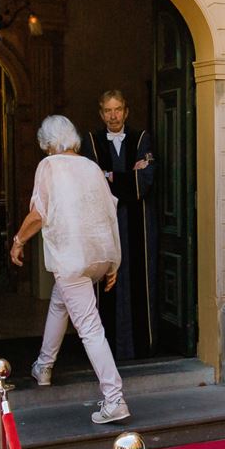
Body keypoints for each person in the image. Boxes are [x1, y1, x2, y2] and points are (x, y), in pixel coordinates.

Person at [8, 115, 130, 426]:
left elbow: (39, 214)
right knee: (60, 301)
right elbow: (109, 211)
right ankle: (44, 366)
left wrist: (19, 240)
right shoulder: (90, 166)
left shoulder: (49, 166)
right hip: (98, 255)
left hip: (73, 258)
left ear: (48, 142)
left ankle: (114, 398)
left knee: (89, 328)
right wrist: (113, 260)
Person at [83, 90, 156, 359]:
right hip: (104, 222)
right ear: (101, 114)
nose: (113, 116)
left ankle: (139, 346)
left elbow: (145, 182)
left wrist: (110, 175)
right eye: (108, 111)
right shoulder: (91, 140)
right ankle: (107, 350)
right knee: (106, 282)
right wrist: (126, 176)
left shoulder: (141, 138)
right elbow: (92, 182)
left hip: (137, 222)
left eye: (118, 110)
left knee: (138, 278)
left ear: (126, 111)